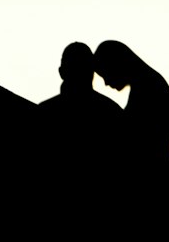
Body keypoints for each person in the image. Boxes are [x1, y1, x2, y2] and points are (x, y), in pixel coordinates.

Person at [93, 41, 169, 185]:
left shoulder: (147, 87)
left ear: (116, 65)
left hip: (151, 174)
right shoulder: (148, 83)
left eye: (105, 74)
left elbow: (132, 133)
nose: (106, 83)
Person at [39, 42, 124, 188]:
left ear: (62, 72)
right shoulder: (112, 113)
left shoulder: (44, 112)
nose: (80, 74)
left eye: (83, 68)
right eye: (77, 68)